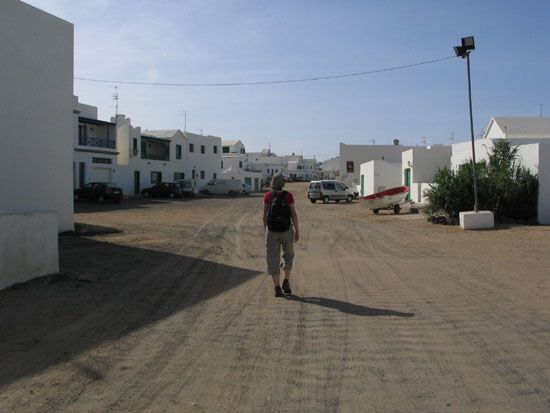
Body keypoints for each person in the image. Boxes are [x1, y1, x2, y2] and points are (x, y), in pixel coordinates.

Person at [263, 174, 299, 297]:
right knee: (288, 255)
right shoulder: (288, 196)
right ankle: (286, 281)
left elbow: (264, 216)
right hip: (286, 230)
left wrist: (266, 230)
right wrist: (297, 230)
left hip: (271, 231)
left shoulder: (268, 196)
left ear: (272, 184)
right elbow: (293, 214)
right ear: (283, 184)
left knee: (273, 258)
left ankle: (277, 288)